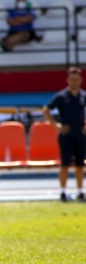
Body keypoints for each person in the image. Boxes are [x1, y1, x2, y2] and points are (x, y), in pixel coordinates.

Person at [41, 66, 86, 202]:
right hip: (66, 133)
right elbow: (46, 110)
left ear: (81, 80)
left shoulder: (83, 96)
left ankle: (80, 191)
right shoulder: (62, 96)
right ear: (67, 80)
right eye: (72, 79)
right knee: (65, 164)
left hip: (80, 133)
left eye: (76, 79)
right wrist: (56, 125)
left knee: (80, 164)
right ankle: (63, 191)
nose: (74, 82)